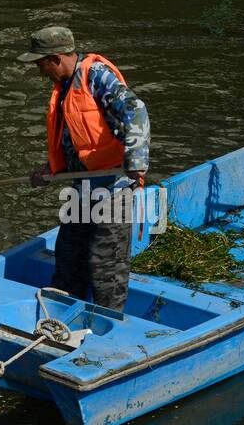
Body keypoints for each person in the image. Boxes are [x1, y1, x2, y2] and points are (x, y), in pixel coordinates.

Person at [19, 25, 150, 311]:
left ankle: (107, 326)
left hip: (113, 189)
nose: (41, 72)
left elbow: (136, 110)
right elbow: (76, 138)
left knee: (106, 263)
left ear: (56, 58)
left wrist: (136, 160)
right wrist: (50, 169)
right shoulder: (64, 88)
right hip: (82, 187)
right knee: (68, 257)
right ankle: (62, 319)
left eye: (41, 64)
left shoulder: (96, 76)